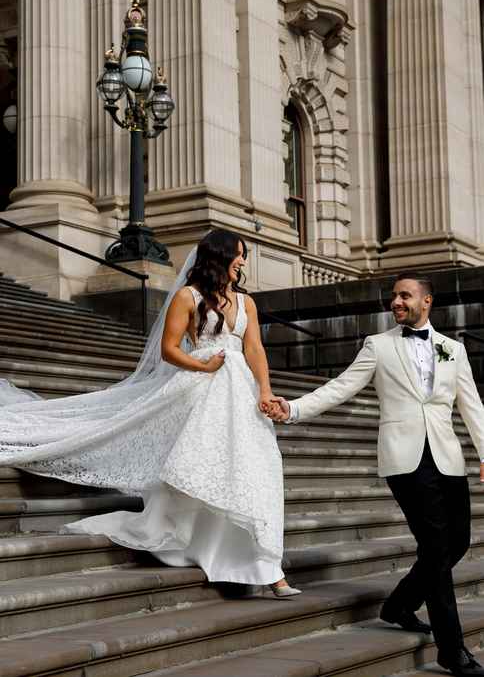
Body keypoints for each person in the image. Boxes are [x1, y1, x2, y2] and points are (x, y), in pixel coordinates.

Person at [0, 229, 300, 596]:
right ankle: (237, 559)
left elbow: (254, 349)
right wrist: (202, 367)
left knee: (252, 468)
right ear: (219, 257)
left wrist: (265, 391)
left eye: (243, 256)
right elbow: (169, 349)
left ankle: (265, 566)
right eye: (238, 254)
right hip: (201, 387)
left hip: (241, 392)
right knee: (206, 464)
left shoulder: (246, 303)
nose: (242, 261)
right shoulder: (187, 297)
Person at [268, 272, 484, 676]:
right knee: (437, 549)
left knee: (456, 544)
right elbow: (341, 386)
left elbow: (472, 406)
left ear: (427, 302)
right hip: (405, 459)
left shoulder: (453, 349)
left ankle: (400, 604)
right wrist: (293, 408)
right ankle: (452, 650)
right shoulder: (378, 346)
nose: (396, 302)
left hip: (447, 457)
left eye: (405, 296)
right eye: (393, 296)